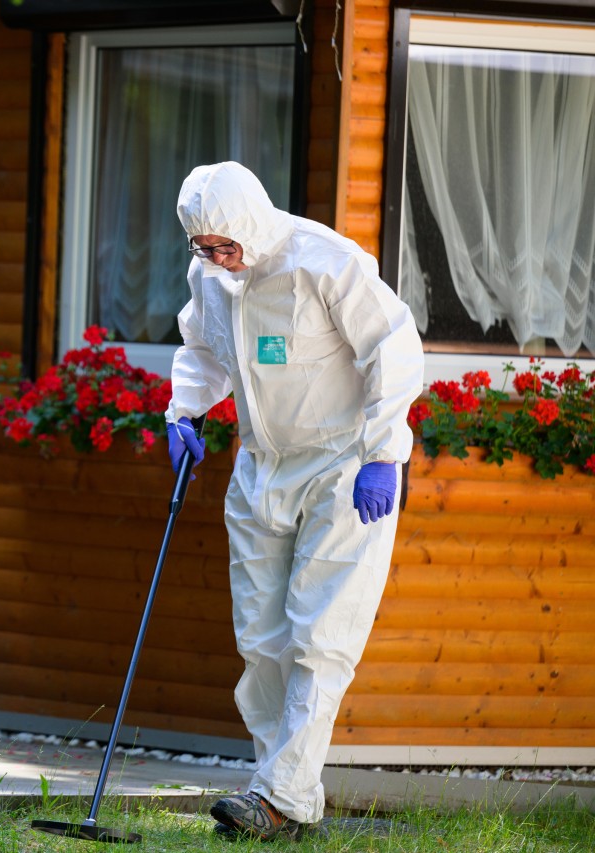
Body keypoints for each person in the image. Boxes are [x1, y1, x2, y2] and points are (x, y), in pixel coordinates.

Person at [163, 162, 425, 841]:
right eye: (206, 247)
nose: (220, 259)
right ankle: (280, 794)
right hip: (260, 469)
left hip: (344, 468)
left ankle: (277, 794)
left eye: (228, 245)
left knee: (320, 636)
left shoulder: (325, 261)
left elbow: (392, 346)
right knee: (261, 639)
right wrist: (185, 411)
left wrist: (382, 451)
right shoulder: (211, 277)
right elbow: (203, 349)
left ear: (251, 222)